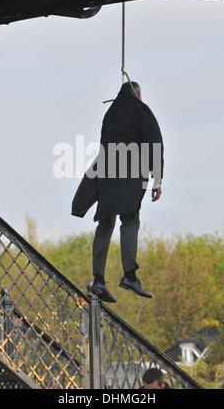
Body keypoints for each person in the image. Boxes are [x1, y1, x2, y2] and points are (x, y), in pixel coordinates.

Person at [71, 81, 164, 303]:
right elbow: (155, 143)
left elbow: (105, 146)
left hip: (107, 173)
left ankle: (99, 280)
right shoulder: (142, 111)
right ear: (139, 94)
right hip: (131, 174)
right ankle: (130, 276)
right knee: (130, 220)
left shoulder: (110, 113)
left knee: (105, 222)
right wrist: (157, 180)